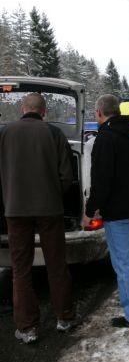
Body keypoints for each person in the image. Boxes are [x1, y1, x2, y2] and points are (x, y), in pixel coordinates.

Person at [0, 93, 75, 344]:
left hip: (15, 210)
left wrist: (9, 196)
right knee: (56, 264)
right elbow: (67, 175)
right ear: (44, 112)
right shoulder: (54, 134)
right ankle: (64, 317)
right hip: (50, 209)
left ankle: (27, 327)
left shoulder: (5, 134)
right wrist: (52, 193)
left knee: (20, 270)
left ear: (23, 109)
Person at [82, 94, 129, 329]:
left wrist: (90, 210)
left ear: (100, 112)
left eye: (95, 111)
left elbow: (101, 180)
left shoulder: (105, 138)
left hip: (117, 211)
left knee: (124, 263)